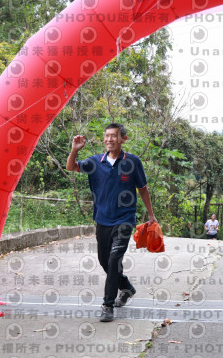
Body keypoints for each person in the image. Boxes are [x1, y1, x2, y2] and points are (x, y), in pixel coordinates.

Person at [66, 123, 156, 322]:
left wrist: (151, 215)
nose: (109, 139)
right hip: (102, 219)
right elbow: (71, 167)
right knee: (105, 261)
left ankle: (107, 305)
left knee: (114, 259)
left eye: (113, 136)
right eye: (106, 136)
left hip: (125, 219)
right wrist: (74, 150)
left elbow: (142, 189)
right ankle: (126, 287)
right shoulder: (95, 162)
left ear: (123, 139)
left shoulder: (133, 162)